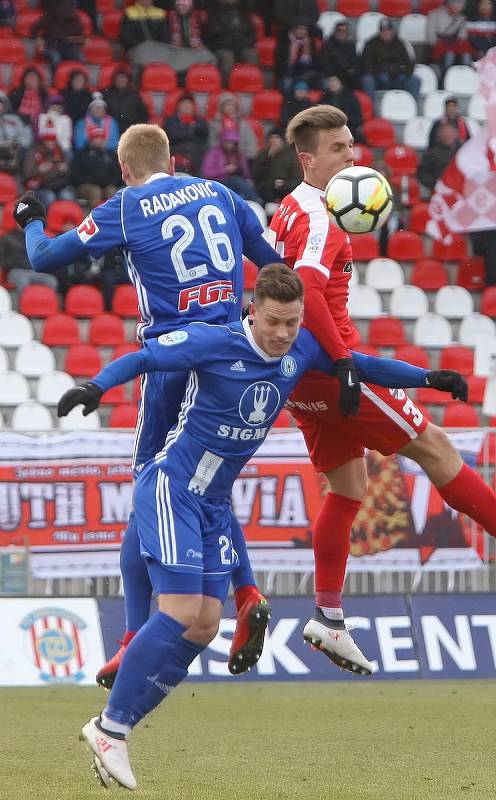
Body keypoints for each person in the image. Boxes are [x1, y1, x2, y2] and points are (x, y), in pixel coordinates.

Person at [56, 264, 466, 789]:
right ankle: (111, 727)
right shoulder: (214, 343)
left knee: (204, 625)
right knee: (181, 610)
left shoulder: (301, 350)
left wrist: (429, 378)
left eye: (292, 323)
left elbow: (358, 364)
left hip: (213, 503)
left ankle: (114, 724)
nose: (282, 334)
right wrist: (95, 385)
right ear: (253, 310)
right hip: (173, 487)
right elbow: (145, 357)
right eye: (273, 322)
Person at [13, 122, 293, 689]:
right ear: (174, 159)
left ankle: (133, 636)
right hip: (235, 351)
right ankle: (244, 593)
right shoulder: (220, 192)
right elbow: (270, 268)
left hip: (173, 356)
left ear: (124, 169)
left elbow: (43, 260)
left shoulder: (126, 205)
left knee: (152, 487)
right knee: (204, 484)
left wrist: (31, 217)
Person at [268, 104, 496, 672]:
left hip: (299, 374)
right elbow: (310, 292)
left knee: (348, 486)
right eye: (339, 148)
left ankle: (327, 616)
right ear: (308, 158)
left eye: (352, 144)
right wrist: (346, 362)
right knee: (436, 447)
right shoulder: (321, 215)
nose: (353, 155)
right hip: (332, 365)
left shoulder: (290, 209)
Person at [361, 18, 421, 102]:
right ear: (379, 31)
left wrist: (402, 72)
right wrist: (381, 71)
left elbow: (409, 64)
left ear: (392, 31)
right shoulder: (371, 44)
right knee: (367, 79)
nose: (386, 32)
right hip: (379, 79)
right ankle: (372, 110)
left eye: (388, 30)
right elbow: (366, 65)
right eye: (383, 30)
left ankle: (414, 109)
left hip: (398, 78)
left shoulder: (400, 44)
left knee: (415, 80)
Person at [203, 0, 258, 86]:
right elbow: (213, 35)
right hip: (223, 47)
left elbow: (252, 34)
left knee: (252, 55)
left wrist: (244, 43)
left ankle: (250, 85)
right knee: (228, 57)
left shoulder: (243, 12)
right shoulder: (214, 12)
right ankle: (225, 87)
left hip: (241, 46)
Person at [201, 128, 261, 202]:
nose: (230, 144)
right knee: (236, 181)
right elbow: (206, 173)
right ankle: (257, 200)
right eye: (228, 142)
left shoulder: (239, 154)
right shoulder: (214, 153)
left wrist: (239, 170)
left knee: (242, 193)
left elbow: (246, 173)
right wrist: (225, 170)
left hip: (236, 184)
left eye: (233, 142)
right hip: (218, 183)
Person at [70, 126, 122, 205]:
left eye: (102, 138)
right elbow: (74, 177)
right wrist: (92, 179)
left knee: (112, 191)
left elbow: (117, 176)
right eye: (96, 138)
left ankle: (113, 216)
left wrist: (107, 181)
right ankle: (95, 216)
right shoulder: (81, 154)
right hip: (86, 184)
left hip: (106, 184)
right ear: (90, 139)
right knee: (95, 191)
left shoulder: (111, 155)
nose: (99, 140)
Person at [251, 127, 301, 210]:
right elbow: (257, 175)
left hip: (285, 188)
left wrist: (284, 184)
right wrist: (268, 158)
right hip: (268, 188)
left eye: (276, 138)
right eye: (271, 138)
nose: (274, 141)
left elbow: (296, 179)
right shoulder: (263, 155)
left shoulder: (291, 156)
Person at [31, 0, 85, 69]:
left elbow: (81, 39)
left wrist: (70, 40)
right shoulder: (49, 15)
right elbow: (34, 28)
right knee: (55, 58)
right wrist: (38, 39)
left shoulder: (74, 19)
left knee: (81, 58)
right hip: (50, 46)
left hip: (68, 47)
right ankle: (54, 78)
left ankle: (77, 78)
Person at [164, 94, 209, 173]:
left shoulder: (199, 120)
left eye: (189, 104)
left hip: (196, 155)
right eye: (184, 104)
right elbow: (173, 136)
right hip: (177, 152)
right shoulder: (171, 121)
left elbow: (204, 135)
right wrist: (191, 130)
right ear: (178, 106)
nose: (187, 106)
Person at [427, 0, 472, 74]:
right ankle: (444, 79)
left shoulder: (462, 18)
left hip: (454, 46)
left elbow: (463, 37)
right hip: (438, 47)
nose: (462, 6)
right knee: (449, 55)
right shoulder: (434, 14)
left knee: (466, 55)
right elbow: (431, 37)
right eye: (459, 3)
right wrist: (441, 47)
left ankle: (466, 77)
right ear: (450, 3)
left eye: (463, 3)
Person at [119, 0, 170, 66]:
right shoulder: (129, 12)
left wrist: (157, 49)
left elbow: (165, 35)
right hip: (137, 52)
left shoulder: (160, 13)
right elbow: (126, 37)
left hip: (158, 52)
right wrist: (144, 49)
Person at [102, 69, 149, 135]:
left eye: (123, 77)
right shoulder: (106, 94)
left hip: (130, 127)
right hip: (111, 127)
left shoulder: (134, 94)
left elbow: (144, 113)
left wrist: (138, 125)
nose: (121, 80)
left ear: (128, 80)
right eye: (118, 77)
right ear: (114, 80)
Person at [418, 122, 460, 190]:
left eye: (451, 133)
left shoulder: (461, 153)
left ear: (456, 135)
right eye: (446, 133)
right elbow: (423, 174)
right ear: (440, 135)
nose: (449, 135)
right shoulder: (432, 153)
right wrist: (437, 184)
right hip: (438, 192)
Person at [319, 21, 360, 89]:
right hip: (331, 76)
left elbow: (354, 63)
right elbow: (324, 65)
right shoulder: (327, 46)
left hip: (347, 77)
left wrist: (351, 70)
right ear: (335, 32)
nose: (342, 33)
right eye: (339, 30)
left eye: (344, 31)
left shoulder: (351, 46)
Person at [320, 75, 363, 141]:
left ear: (340, 82)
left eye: (334, 81)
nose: (332, 83)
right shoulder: (324, 99)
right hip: (330, 129)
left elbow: (358, 118)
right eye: (330, 81)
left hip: (349, 127)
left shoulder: (350, 96)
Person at [0, 91, 32, 174]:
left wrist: (18, 143)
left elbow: (26, 133)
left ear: (5, 104)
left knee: (27, 151)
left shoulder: (14, 119)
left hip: (14, 151)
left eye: (0, 102)